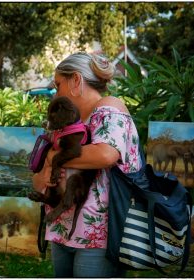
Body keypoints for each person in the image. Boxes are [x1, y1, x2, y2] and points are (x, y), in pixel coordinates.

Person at [32, 52, 142, 277]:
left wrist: (54, 158)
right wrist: (45, 172)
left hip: (98, 235)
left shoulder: (109, 107)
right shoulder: (69, 122)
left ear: (76, 80)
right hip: (63, 230)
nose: (56, 92)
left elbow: (105, 154)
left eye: (58, 84)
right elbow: (38, 178)